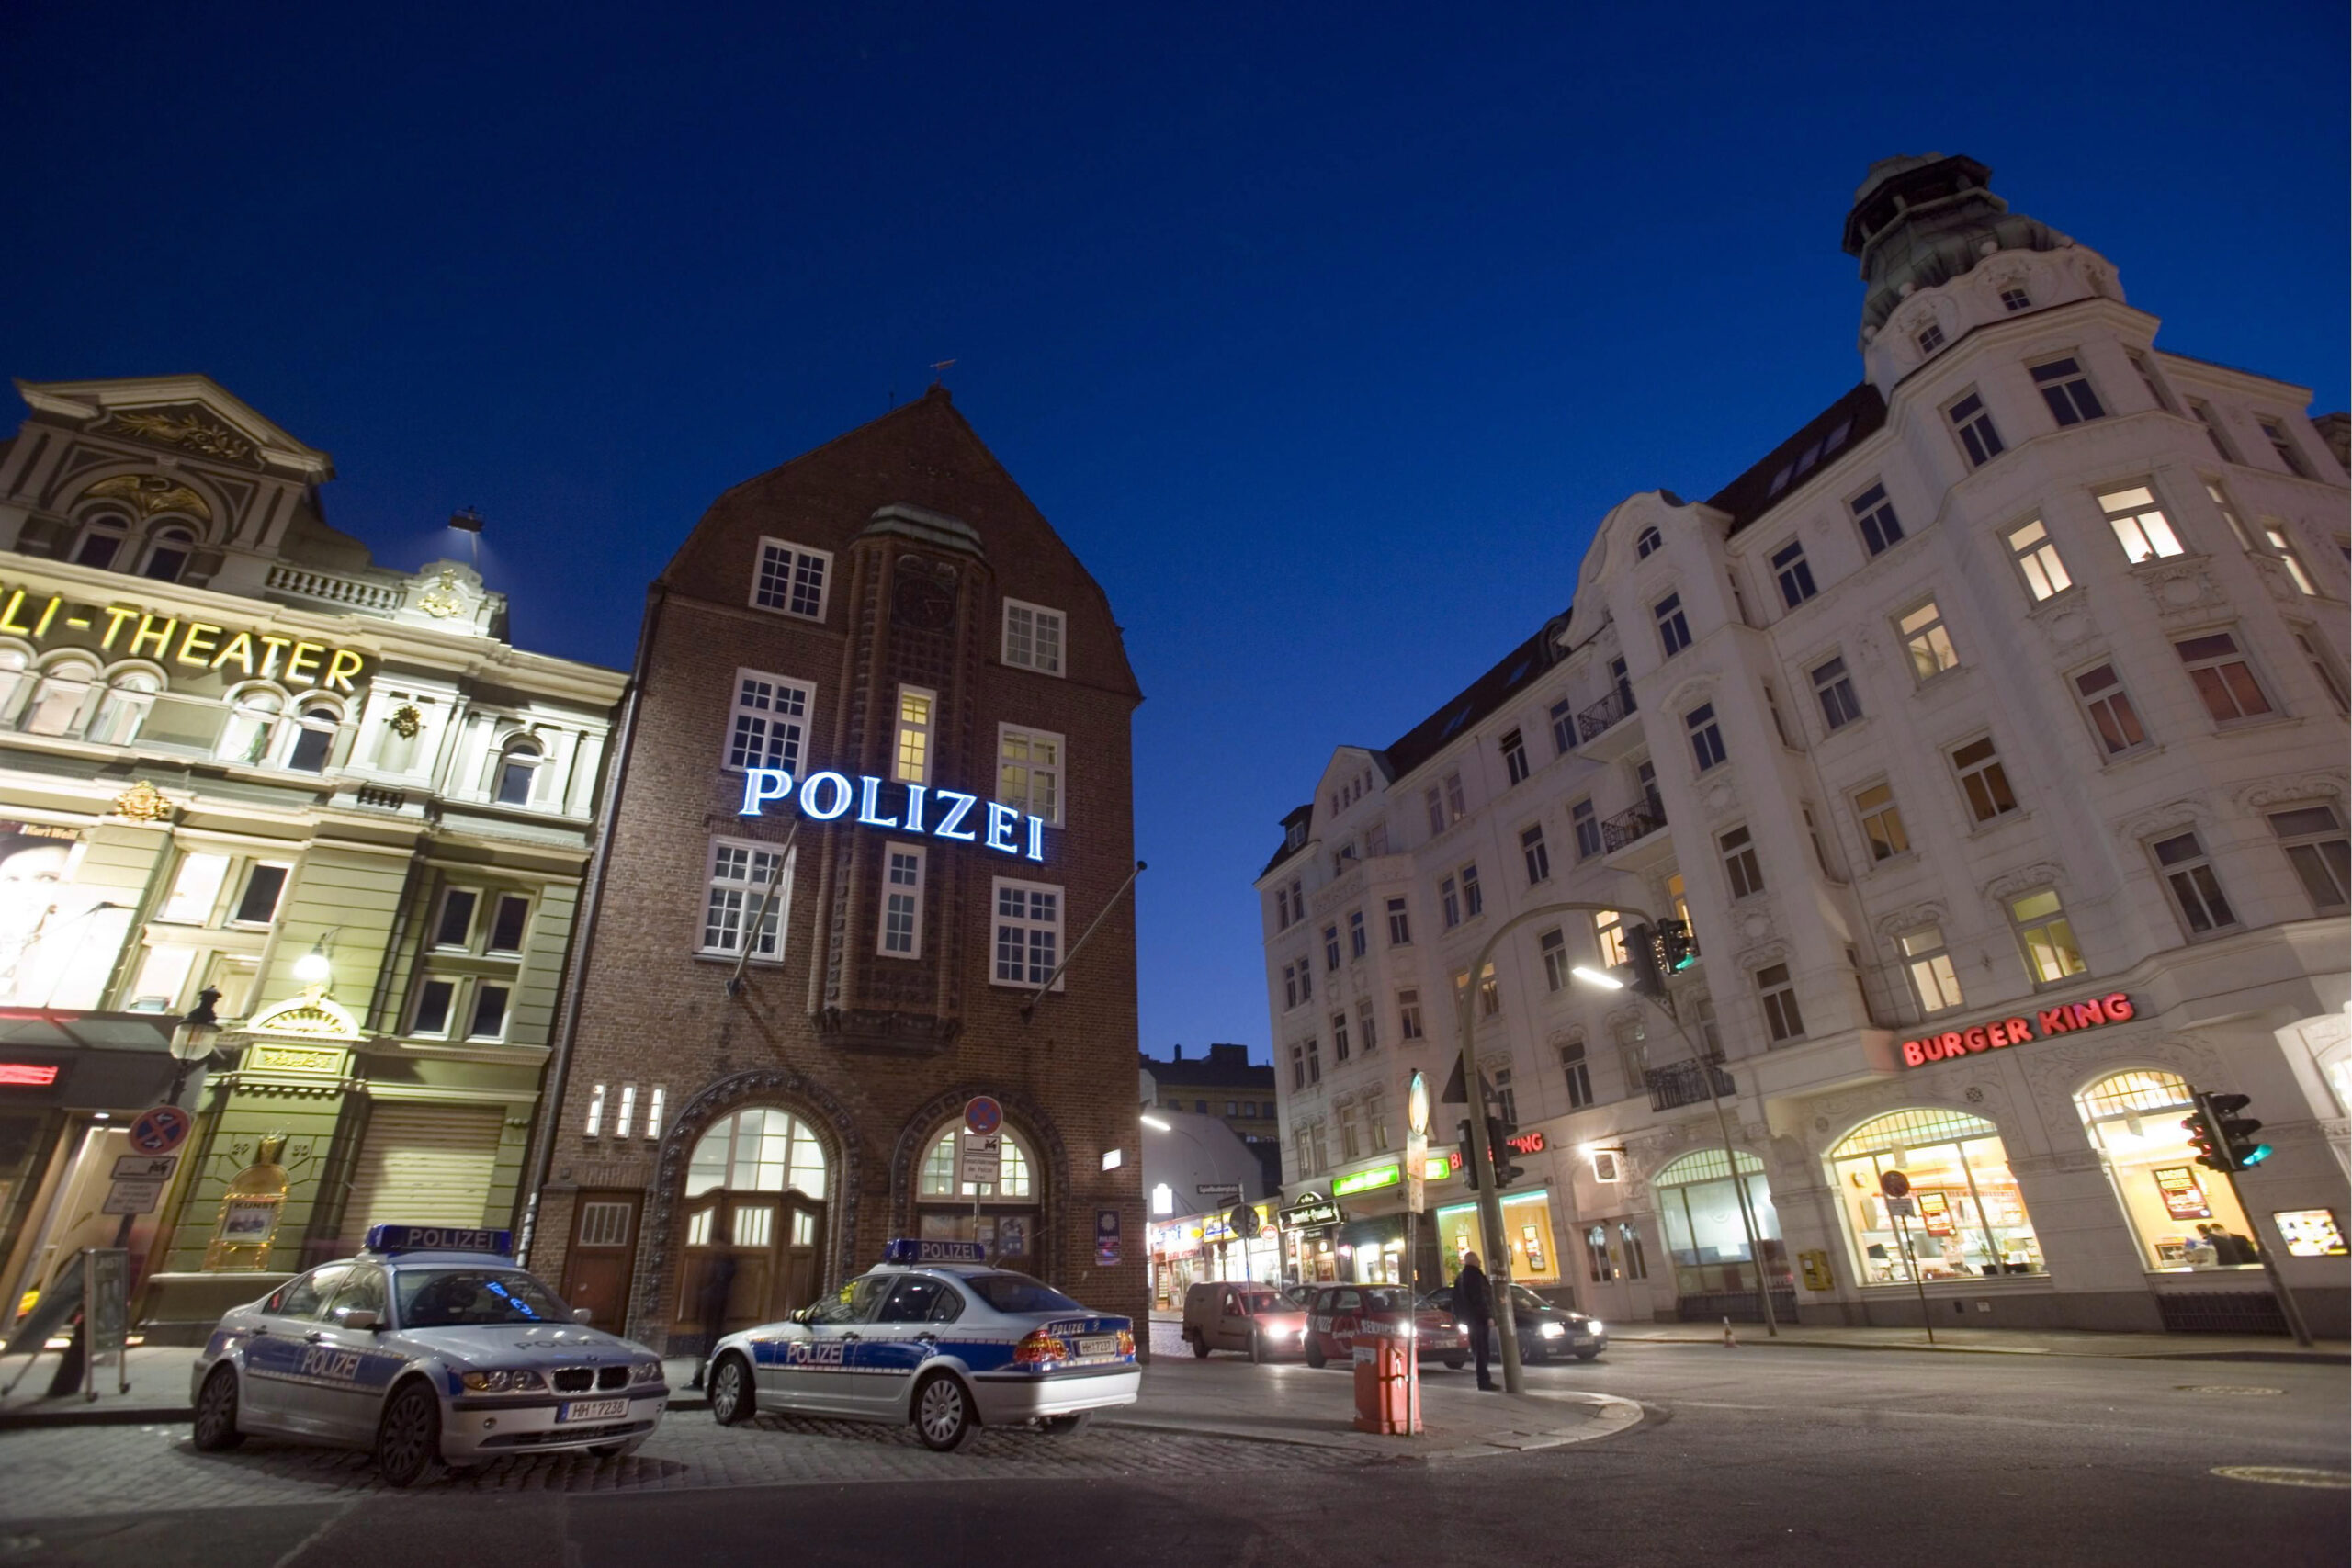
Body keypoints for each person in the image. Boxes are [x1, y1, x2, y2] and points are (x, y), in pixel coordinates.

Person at [685, 1251, 739, 1391]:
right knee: (708, 1344)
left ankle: (701, 1379)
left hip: (714, 1313)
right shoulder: (724, 1261)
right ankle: (700, 1378)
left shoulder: (721, 1261)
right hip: (714, 1313)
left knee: (708, 1345)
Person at [1455, 1251, 1497, 1391]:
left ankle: (1484, 1380)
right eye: (1478, 1259)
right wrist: (1488, 1316)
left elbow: (1456, 1301)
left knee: (1478, 1350)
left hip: (1470, 1320)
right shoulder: (1475, 1277)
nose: (1480, 1262)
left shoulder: (1461, 1278)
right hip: (1478, 1319)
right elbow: (1480, 1299)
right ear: (1473, 1261)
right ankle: (1484, 1381)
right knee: (1481, 1350)